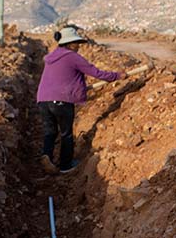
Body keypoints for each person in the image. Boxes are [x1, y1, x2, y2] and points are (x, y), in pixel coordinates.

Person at [37, 26, 126, 174]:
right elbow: (96, 72)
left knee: (50, 132)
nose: (78, 46)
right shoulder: (72, 56)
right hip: (61, 100)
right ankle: (65, 165)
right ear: (70, 43)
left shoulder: (51, 57)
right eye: (77, 43)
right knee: (66, 133)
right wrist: (117, 76)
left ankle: (47, 156)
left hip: (42, 100)